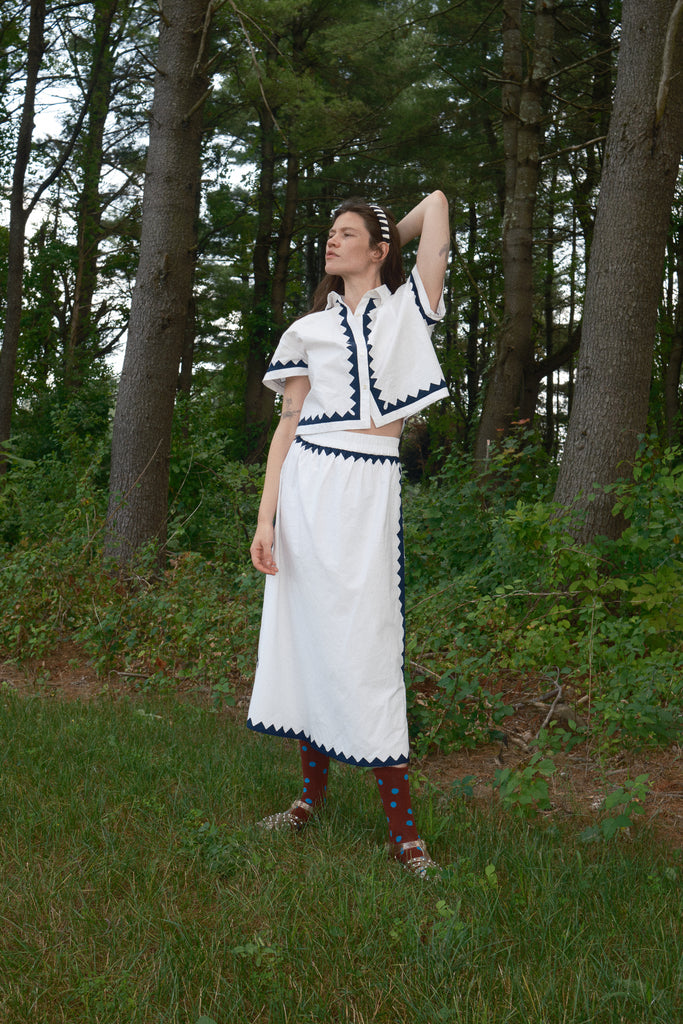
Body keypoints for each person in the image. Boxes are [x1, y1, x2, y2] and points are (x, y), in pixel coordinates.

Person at [248, 191, 450, 877]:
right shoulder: (307, 329)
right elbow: (286, 429)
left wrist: (387, 234)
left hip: (368, 489)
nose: (331, 241)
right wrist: (266, 518)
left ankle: (404, 835)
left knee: (368, 648)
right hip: (308, 487)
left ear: (379, 249)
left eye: (347, 233)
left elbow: (436, 207)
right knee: (309, 641)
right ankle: (308, 799)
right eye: (329, 233)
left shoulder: (406, 310)